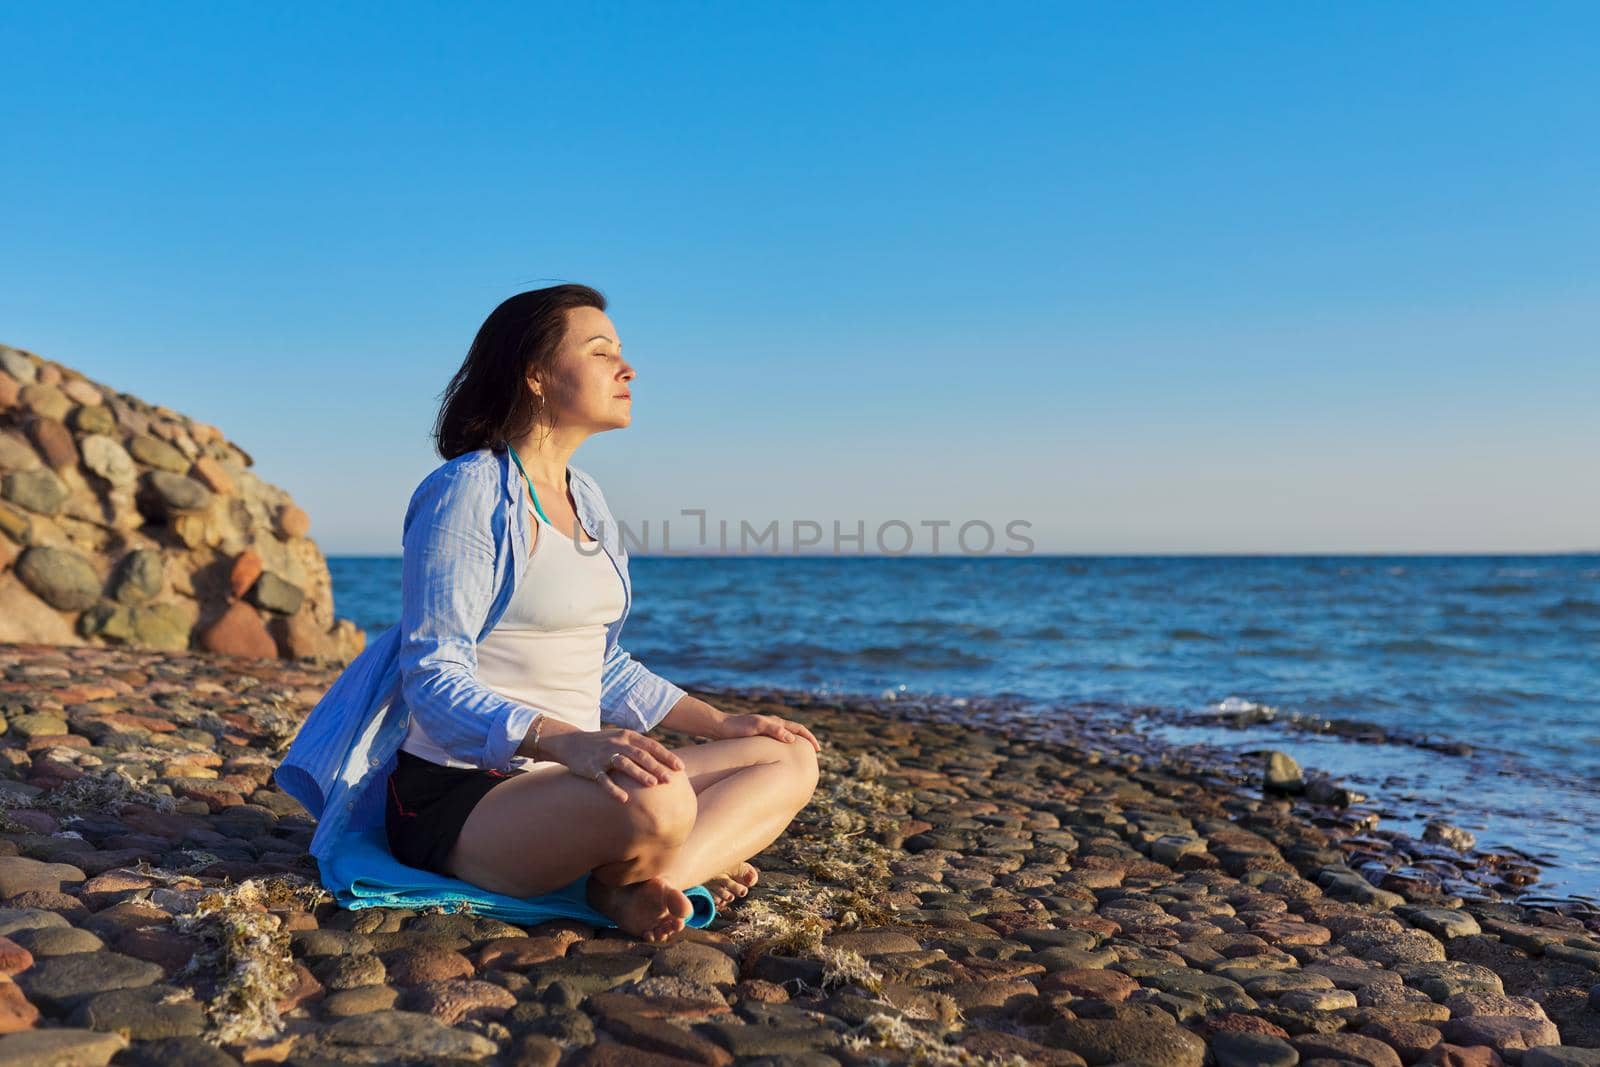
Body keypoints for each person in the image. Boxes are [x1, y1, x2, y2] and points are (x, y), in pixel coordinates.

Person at [280, 284, 820, 943]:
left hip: (574, 776)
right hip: (466, 794)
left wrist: (718, 722)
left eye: (622, 353)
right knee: (662, 801)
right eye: (601, 352)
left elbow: (601, 666)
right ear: (535, 375)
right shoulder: (468, 492)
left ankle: (649, 883)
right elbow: (433, 677)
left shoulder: (586, 498)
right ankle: (666, 867)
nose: (628, 369)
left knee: (786, 757)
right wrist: (566, 740)